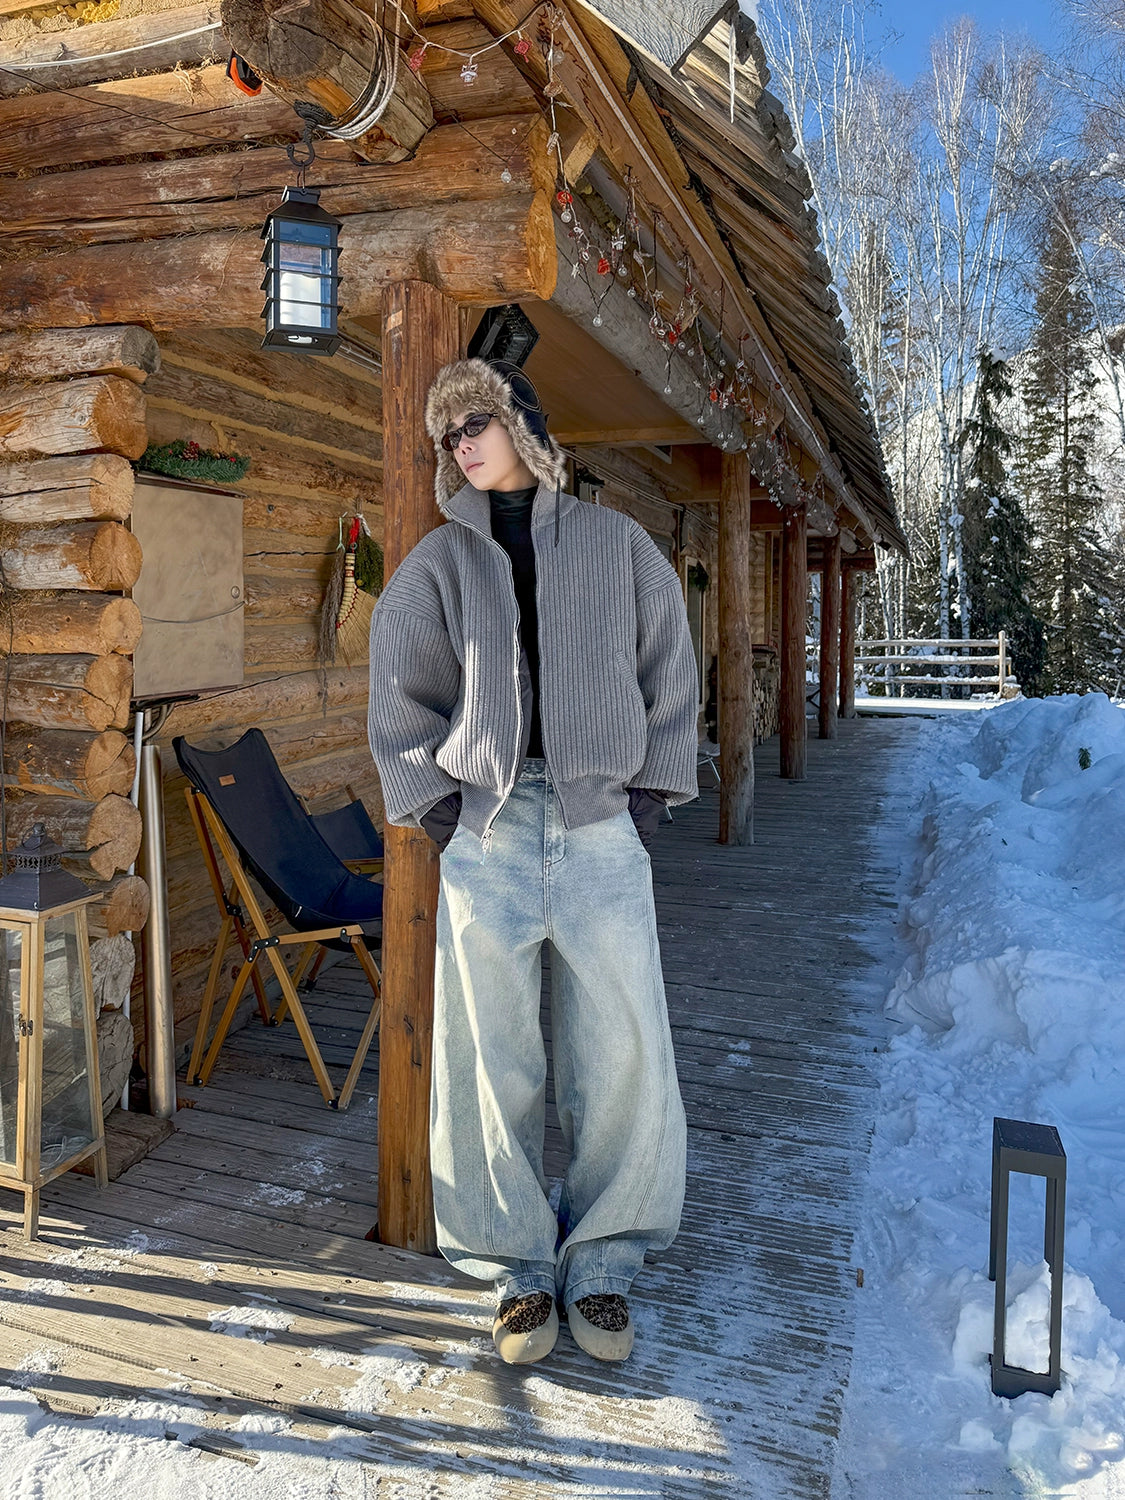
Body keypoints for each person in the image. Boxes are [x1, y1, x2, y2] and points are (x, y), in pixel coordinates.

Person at [367, 357, 698, 1365]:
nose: (462, 444)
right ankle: (514, 1266)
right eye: (449, 433)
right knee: (487, 1053)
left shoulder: (617, 542)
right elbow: (398, 688)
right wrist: (437, 810)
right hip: (490, 833)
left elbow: (670, 666)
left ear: (524, 424)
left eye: (477, 421)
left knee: (621, 1047)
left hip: (599, 827)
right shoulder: (439, 563)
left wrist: (646, 797)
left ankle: (603, 1261)